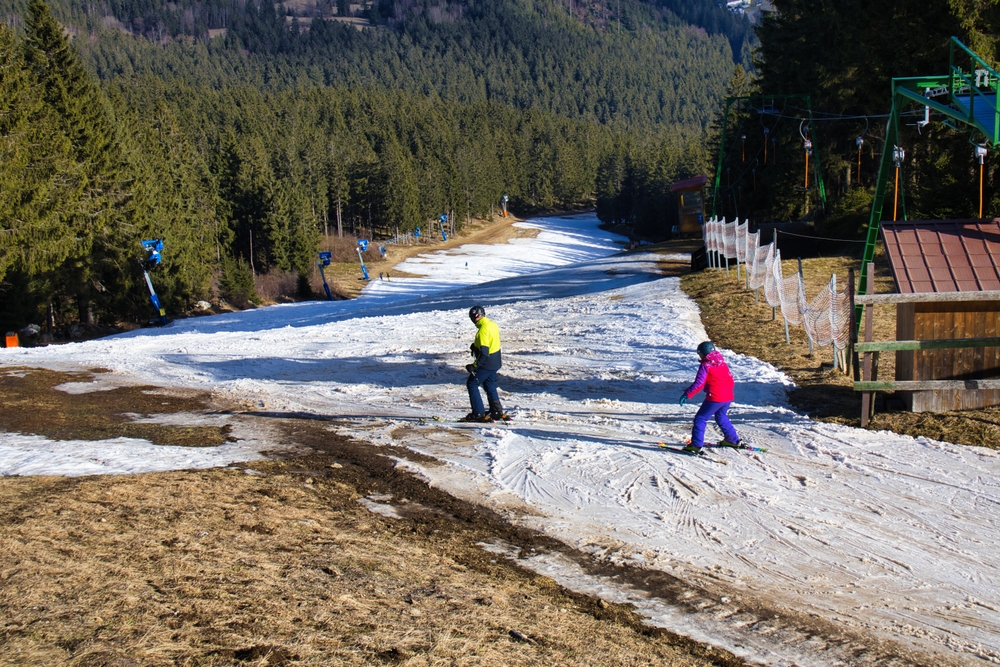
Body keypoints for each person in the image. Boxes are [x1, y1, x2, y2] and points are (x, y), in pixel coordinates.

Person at [679, 341, 741, 453]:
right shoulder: (722, 363)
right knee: (721, 417)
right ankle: (732, 440)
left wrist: (687, 394)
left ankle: (696, 445)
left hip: (715, 397)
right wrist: (726, 392)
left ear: (703, 353)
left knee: (700, 418)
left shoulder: (706, 365)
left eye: (700, 354)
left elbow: (699, 383)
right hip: (727, 396)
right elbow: (731, 380)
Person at [463, 305, 507, 422]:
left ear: (475, 317)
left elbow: (484, 353)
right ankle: (496, 411)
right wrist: (476, 346)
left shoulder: (483, 330)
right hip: (496, 361)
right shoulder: (492, 324)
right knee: (489, 383)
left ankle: (478, 413)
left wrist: (474, 366)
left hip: (487, 363)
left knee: (472, 384)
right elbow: (491, 342)